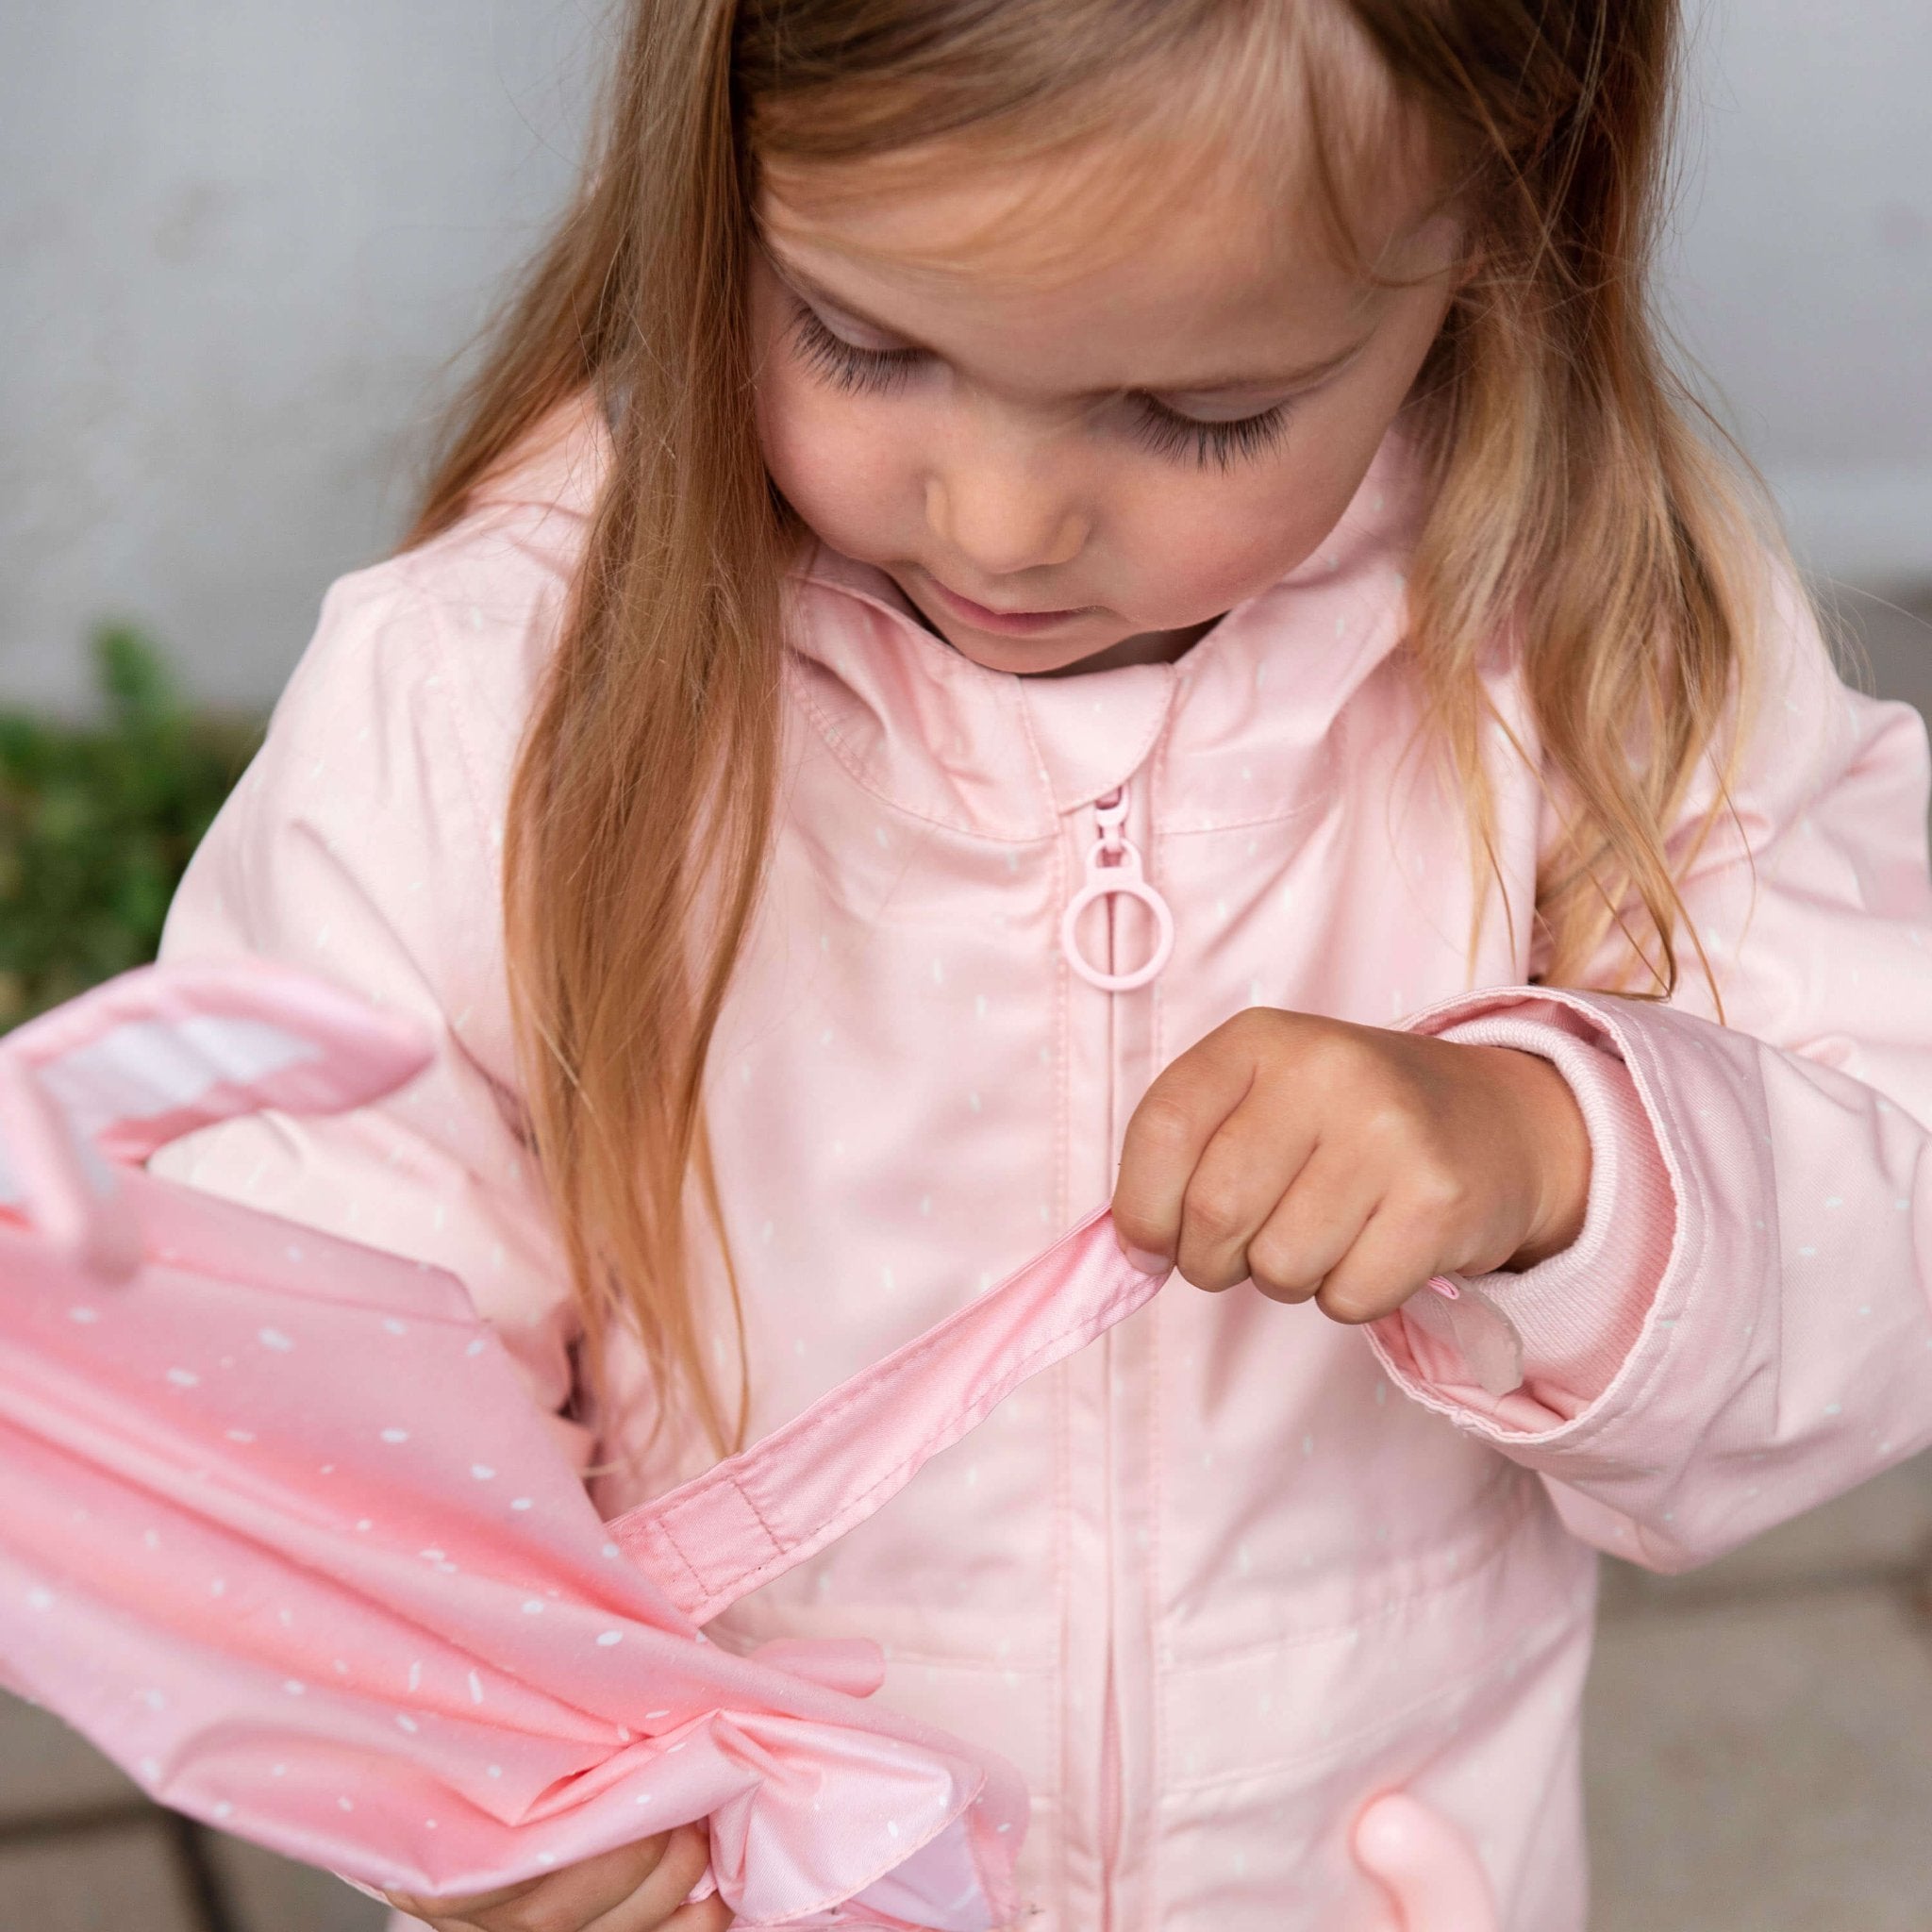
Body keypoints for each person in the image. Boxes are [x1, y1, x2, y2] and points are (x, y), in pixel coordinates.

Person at [148, 1, 1932, 1927]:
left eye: (1198, 413)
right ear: (722, 195)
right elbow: (281, 1309)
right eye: (865, 343)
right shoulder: (492, 688)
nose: (1000, 519)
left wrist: (1560, 1153)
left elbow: (1882, 1190)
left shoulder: (1602, 645)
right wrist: (459, 1744)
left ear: (1492, 234)